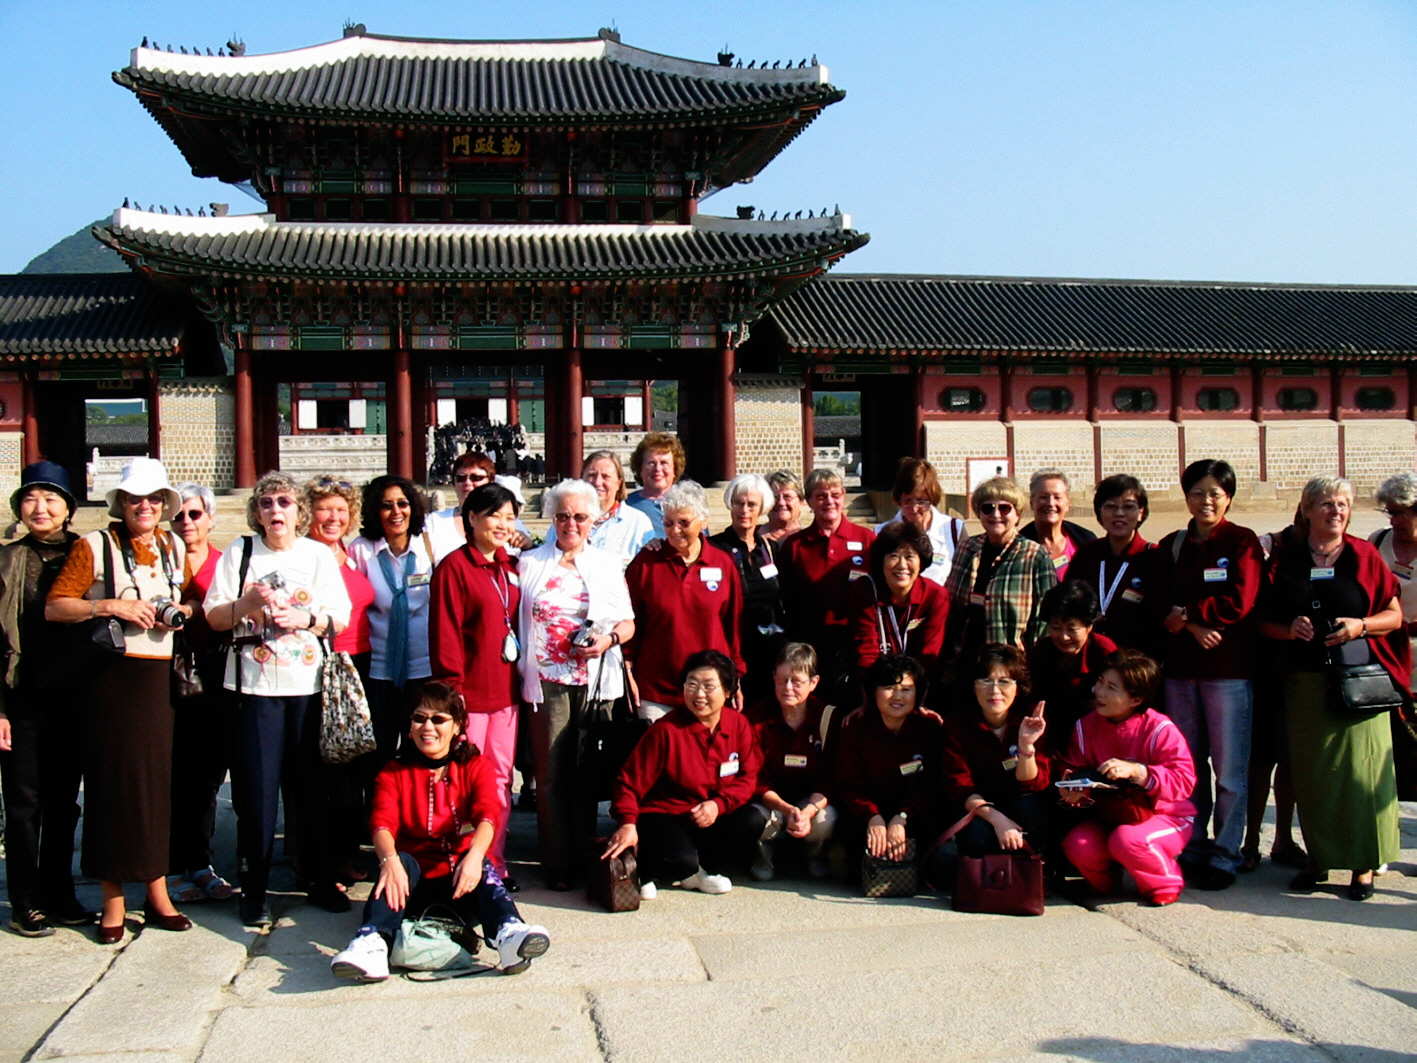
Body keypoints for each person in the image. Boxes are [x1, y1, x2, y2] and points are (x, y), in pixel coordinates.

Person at [45, 457, 194, 942]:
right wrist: (109, 605)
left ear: (164, 504)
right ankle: (112, 898)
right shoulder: (95, 545)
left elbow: (190, 598)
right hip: (110, 679)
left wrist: (182, 610)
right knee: (110, 786)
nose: (144, 506)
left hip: (157, 679)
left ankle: (157, 890)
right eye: (134, 499)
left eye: (153, 498)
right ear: (121, 503)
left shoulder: (172, 546)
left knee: (155, 786)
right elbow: (55, 606)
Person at [203, 471, 352, 927]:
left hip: (307, 687)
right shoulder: (241, 551)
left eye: (284, 502)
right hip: (253, 690)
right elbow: (214, 616)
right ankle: (254, 887)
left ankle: (318, 877)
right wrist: (246, 606)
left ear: (299, 510)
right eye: (266, 503)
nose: (275, 511)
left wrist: (305, 618)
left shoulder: (316, 554)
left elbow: (340, 616)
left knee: (311, 791)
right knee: (257, 793)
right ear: (257, 512)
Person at [328, 682, 550, 981]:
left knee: (481, 866)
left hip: (462, 884)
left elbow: (488, 816)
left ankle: (508, 935)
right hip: (409, 888)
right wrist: (388, 860)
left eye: (438, 719)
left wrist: (475, 857)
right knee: (398, 864)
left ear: (457, 726)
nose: (427, 727)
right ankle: (372, 942)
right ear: (409, 727)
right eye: (419, 718)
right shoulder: (393, 772)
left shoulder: (475, 767)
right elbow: (381, 822)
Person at [1257, 476, 1407, 901]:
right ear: (1307, 510)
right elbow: (1263, 622)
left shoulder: (1364, 555)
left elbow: (1394, 616)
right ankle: (1318, 858)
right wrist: (1289, 629)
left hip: (1357, 682)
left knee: (1362, 775)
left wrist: (1361, 625)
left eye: (1342, 504)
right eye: (1326, 503)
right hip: (1305, 682)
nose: (1335, 511)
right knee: (1314, 777)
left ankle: (1364, 864)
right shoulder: (1287, 561)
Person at [516, 479, 635, 891]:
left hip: (595, 681)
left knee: (586, 773)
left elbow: (627, 622)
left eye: (580, 517)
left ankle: (586, 854)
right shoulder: (530, 562)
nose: (571, 524)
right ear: (552, 518)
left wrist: (608, 640)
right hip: (546, 681)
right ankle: (556, 862)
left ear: (593, 520)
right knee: (551, 774)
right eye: (563, 516)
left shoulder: (606, 563)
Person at [1150, 459, 1263, 891]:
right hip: (1181, 671)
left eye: (1215, 493)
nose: (1206, 501)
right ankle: (1192, 844)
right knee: (1188, 765)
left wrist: (1189, 615)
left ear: (1228, 497)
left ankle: (1226, 852)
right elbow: (1156, 598)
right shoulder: (1173, 544)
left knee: (1230, 770)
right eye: (1197, 492)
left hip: (1226, 672)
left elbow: (1240, 600)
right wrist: (1191, 624)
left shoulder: (1241, 541)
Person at [0, 461, 95, 936]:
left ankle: (59, 891)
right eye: (31, 499)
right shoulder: (6, 559)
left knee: (63, 801)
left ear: (68, 508)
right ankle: (24, 899)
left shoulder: (86, 552)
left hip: (72, 694)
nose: (40, 508)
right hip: (21, 693)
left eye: (51, 499)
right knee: (23, 803)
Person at [603, 650, 764, 899]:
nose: (699, 694)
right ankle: (650, 869)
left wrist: (719, 805)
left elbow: (748, 778)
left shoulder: (738, 725)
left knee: (752, 820)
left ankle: (701, 871)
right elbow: (628, 783)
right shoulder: (666, 731)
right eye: (692, 684)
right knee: (680, 860)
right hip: (664, 815)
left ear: (728, 691)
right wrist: (627, 824)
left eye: (708, 686)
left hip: (707, 815)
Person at [429, 482, 524, 887]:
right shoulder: (454, 567)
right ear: (471, 518)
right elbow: (445, 634)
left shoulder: (511, 565)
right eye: (493, 515)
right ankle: (463, 862)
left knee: (500, 780)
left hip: (507, 694)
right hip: (469, 697)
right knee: (466, 781)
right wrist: (453, 697)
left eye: (509, 517)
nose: (503, 524)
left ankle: (493, 862)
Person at [1058, 649, 1197, 907]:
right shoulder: (1085, 726)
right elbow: (1073, 769)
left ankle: (1165, 882)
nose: (1099, 692)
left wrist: (1139, 772)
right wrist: (1072, 790)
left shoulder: (1159, 729)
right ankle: (1108, 882)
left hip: (1165, 815)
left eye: (1111, 688)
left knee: (1127, 841)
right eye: (1100, 682)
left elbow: (1184, 781)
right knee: (1078, 845)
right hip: (1109, 816)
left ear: (1136, 699)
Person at [165, 482, 237, 906]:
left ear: (210, 518)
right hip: (163, 678)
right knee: (172, 775)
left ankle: (200, 862)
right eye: (179, 515)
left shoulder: (223, 563)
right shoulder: (158, 558)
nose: (187, 522)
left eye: (195, 514)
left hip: (212, 677)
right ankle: (172, 866)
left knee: (207, 775)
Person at [305, 475, 377, 884]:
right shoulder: (304, 555)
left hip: (361, 664)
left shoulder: (351, 554)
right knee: (327, 768)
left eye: (341, 510)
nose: (333, 517)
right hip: (324, 664)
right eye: (324, 509)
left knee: (353, 764)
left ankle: (347, 850)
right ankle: (320, 858)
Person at [623, 480, 745, 721]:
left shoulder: (721, 563)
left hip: (711, 688)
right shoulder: (646, 563)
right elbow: (630, 621)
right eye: (668, 523)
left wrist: (736, 676)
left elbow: (734, 626)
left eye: (684, 523)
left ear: (703, 522)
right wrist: (627, 668)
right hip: (657, 690)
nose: (675, 530)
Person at [932, 645, 1051, 887]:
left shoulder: (1031, 717)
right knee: (976, 835)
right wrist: (997, 820)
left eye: (1004, 681)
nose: (994, 690)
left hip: (1019, 805)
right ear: (973, 685)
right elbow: (959, 787)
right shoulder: (957, 723)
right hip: (978, 809)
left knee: (1032, 809)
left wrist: (1026, 745)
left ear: (1018, 686)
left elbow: (1032, 784)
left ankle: (1030, 873)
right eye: (985, 680)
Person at [349, 475, 438, 767]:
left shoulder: (429, 546)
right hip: (379, 669)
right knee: (379, 751)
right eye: (386, 505)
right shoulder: (362, 550)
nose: (396, 512)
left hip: (422, 666)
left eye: (402, 503)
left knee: (419, 750)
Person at [835, 654, 944, 880]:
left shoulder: (929, 727)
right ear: (873, 691)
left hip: (911, 814)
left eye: (906, 689)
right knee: (848, 827)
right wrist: (873, 816)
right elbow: (849, 784)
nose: (897, 696)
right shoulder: (855, 727)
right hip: (868, 814)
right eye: (889, 688)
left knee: (932, 825)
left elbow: (931, 785)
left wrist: (902, 817)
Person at [943, 477, 1057, 679]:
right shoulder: (967, 548)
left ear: (1017, 514)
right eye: (988, 508)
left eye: (1004, 508)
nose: (996, 514)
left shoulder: (1034, 556)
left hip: (1009, 669)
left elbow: (1043, 622)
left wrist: (1034, 668)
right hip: (965, 663)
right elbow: (952, 609)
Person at [744, 642, 839, 881]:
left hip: (810, 801)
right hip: (770, 802)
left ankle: (814, 854)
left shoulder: (827, 718)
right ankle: (763, 854)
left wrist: (806, 812)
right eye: (781, 679)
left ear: (813, 683)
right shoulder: (755, 717)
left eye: (796, 681)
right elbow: (756, 778)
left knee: (826, 819)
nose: (787, 688)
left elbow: (829, 778)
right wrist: (787, 809)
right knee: (753, 818)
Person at [778, 468, 876, 690]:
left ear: (844, 497)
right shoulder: (795, 545)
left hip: (857, 646)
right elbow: (787, 600)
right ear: (809, 501)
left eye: (835, 495)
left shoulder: (867, 539)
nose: (829, 501)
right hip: (811, 649)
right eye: (821, 496)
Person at [709, 474, 786, 703]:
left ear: (762, 508)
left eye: (751, 504)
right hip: (732, 650)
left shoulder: (770, 549)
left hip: (769, 651)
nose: (744, 510)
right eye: (738, 503)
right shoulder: (714, 549)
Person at [1067, 474, 1157, 655]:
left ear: (1141, 512)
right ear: (1099, 511)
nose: (1119, 513)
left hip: (1136, 661)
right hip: (1089, 658)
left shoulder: (1154, 556)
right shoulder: (1087, 554)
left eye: (1128, 507)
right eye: (1110, 507)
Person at [848, 520, 948, 680]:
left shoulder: (935, 596)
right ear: (882, 560)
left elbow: (929, 654)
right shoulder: (865, 590)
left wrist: (910, 688)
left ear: (921, 561)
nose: (902, 565)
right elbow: (866, 652)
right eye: (893, 556)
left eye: (909, 556)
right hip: (876, 681)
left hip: (917, 683)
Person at [1026, 581, 1117, 755]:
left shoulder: (1104, 652)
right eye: (1056, 628)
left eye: (1072, 629)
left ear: (1089, 626)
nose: (1064, 637)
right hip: (1051, 735)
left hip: (1097, 736)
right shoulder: (1040, 653)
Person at [1369, 471, 1417, 800]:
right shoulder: (1376, 542)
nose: (1394, 520)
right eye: (1390, 512)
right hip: (1385, 653)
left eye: (1400, 512)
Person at [425, 452, 534, 562]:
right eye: (461, 478)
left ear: (490, 481)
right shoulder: (435, 522)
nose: (467, 483)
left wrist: (528, 547)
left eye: (475, 478)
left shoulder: (510, 523)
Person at [875, 458, 966, 586]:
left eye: (921, 501)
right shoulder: (881, 533)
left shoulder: (954, 530)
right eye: (907, 501)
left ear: (932, 498)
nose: (914, 509)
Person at [581, 450, 654, 566]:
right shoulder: (566, 520)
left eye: (605, 477)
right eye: (592, 475)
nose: (598, 482)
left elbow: (648, 568)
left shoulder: (637, 522)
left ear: (618, 484)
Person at [1020, 469, 1096, 581]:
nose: (1051, 503)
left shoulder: (1086, 541)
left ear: (1067, 503)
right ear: (1032, 503)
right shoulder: (1019, 546)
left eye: (1057, 497)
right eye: (1043, 497)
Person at [625, 432, 685, 538]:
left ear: (675, 469)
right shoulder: (626, 506)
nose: (657, 469)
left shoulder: (689, 504)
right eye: (651, 463)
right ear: (640, 469)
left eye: (664, 463)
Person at [763, 470, 807, 543]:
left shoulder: (811, 540)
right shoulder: (752, 538)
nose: (781, 503)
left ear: (801, 501)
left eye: (787, 497)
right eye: (775, 497)